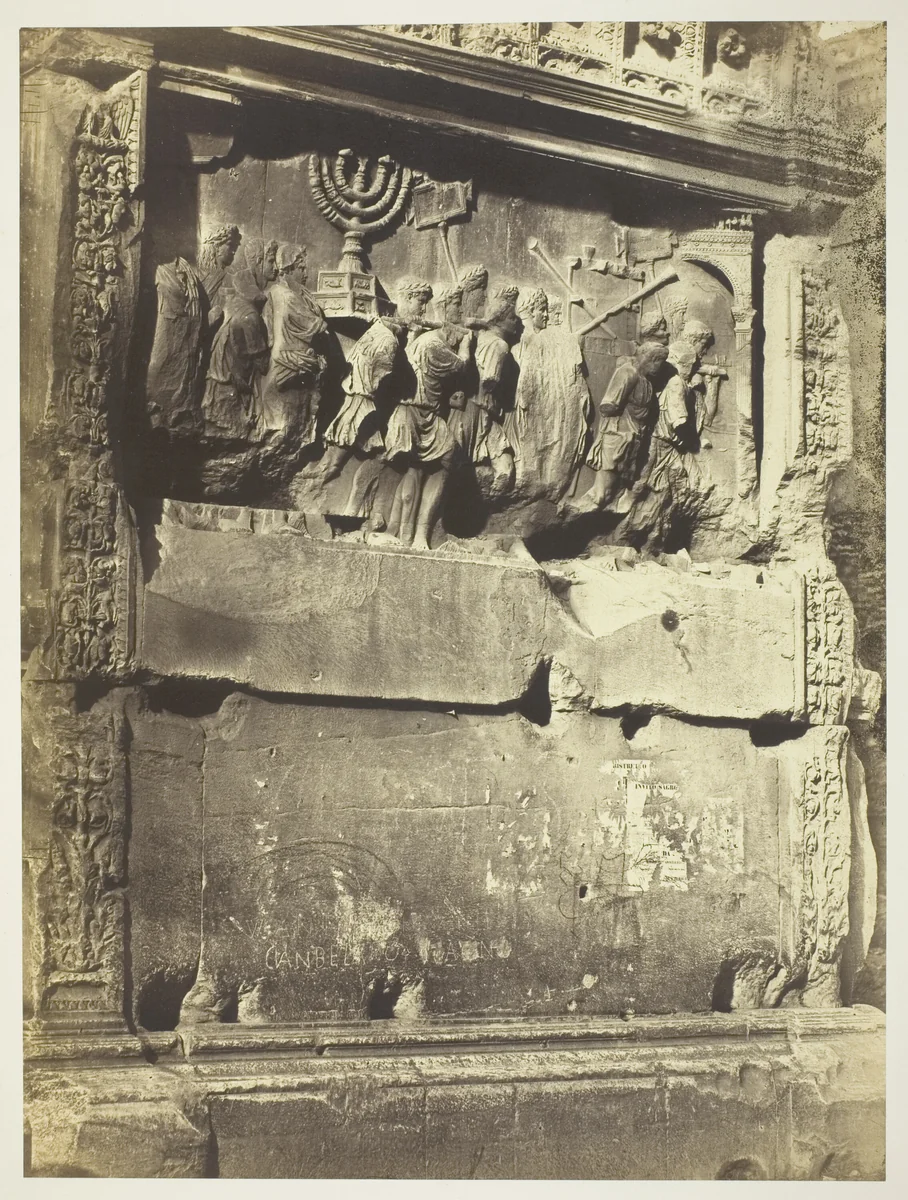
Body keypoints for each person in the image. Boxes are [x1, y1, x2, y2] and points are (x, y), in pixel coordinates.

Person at [383, 320, 472, 549]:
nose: (455, 344)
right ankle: (413, 534)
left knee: (425, 466)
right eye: (455, 339)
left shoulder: (420, 341)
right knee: (434, 463)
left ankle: (407, 533)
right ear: (449, 333)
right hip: (417, 413)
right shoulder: (435, 345)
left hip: (422, 414)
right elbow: (461, 365)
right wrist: (466, 343)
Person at [569, 340, 668, 512]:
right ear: (651, 359)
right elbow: (608, 405)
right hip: (618, 438)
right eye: (660, 361)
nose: (661, 367)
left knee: (612, 497)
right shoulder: (628, 373)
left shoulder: (647, 381)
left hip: (633, 440)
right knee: (600, 496)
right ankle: (568, 517)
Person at [260, 243, 328, 450]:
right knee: (289, 428)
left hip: (290, 365)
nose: (306, 273)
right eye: (302, 268)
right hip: (290, 370)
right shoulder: (287, 296)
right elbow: (316, 324)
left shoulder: (281, 291)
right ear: (289, 268)